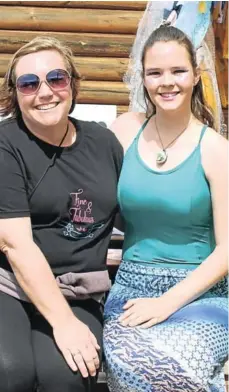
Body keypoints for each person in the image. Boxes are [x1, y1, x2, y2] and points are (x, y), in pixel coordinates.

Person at [103, 25, 228, 392]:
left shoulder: (216, 151)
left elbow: (226, 250)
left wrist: (166, 303)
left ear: (195, 75)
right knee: (130, 360)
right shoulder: (124, 132)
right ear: (143, 78)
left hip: (202, 294)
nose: (166, 82)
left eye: (177, 71)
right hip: (130, 288)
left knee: (180, 362)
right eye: (155, 73)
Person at [0, 36, 123, 392]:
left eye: (56, 78)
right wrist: (64, 324)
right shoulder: (6, 144)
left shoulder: (103, 144)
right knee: (9, 372)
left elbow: (132, 213)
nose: (45, 92)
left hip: (77, 290)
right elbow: (14, 244)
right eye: (29, 83)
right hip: (9, 287)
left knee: (66, 377)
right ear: (15, 93)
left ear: (73, 83)